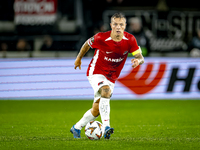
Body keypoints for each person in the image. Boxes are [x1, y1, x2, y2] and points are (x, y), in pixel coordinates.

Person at [70, 13, 144, 139]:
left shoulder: (130, 40)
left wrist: (138, 61)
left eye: (121, 24)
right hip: (96, 71)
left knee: (96, 110)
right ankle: (106, 127)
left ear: (125, 26)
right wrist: (79, 58)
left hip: (111, 77)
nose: (118, 27)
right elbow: (87, 44)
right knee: (106, 91)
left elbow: (140, 57)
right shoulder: (101, 38)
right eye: (115, 24)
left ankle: (76, 128)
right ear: (111, 25)